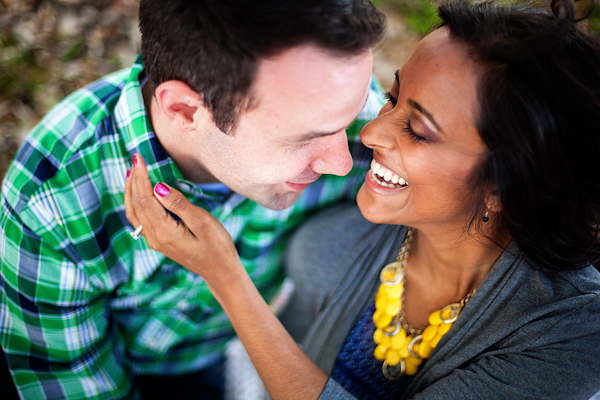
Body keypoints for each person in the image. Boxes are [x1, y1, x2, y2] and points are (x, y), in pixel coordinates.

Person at [124, 0, 600, 398]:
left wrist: (223, 274)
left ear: (508, 182)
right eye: (392, 99)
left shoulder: (571, 333)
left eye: (417, 130)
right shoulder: (344, 231)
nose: (368, 133)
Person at [0, 1, 387, 399]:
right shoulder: (50, 205)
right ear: (184, 110)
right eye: (304, 138)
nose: (343, 163)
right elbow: (74, 382)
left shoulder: (342, 114)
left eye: (352, 115)